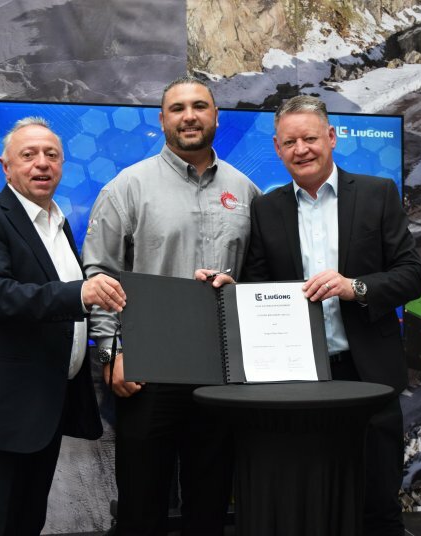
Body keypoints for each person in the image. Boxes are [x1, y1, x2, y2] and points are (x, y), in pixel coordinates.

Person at [198, 95, 421, 535]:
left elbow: (413, 274)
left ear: (332, 138)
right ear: (277, 149)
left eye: (309, 138)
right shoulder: (267, 208)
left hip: (369, 377)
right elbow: (262, 288)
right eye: (289, 142)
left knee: (377, 503)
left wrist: (354, 287)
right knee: (308, 504)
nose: (301, 149)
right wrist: (233, 292)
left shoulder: (377, 194)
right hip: (297, 382)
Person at [82, 75, 260, 535]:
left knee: (211, 503)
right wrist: (110, 354)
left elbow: (262, 274)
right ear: (162, 119)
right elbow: (99, 273)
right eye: (177, 108)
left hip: (221, 373)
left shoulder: (245, 192)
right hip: (147, 373)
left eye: (199, 106)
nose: (189, 116)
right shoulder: (128, 187)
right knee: (143, 505)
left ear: (216, 116)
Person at [0, 117, 127, 535]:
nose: (42, 163)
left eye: (52, 155)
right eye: (29, 154)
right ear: (6, 166)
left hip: (41, 412)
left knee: (25, 524)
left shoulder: (56, 224)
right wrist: (79, 294)